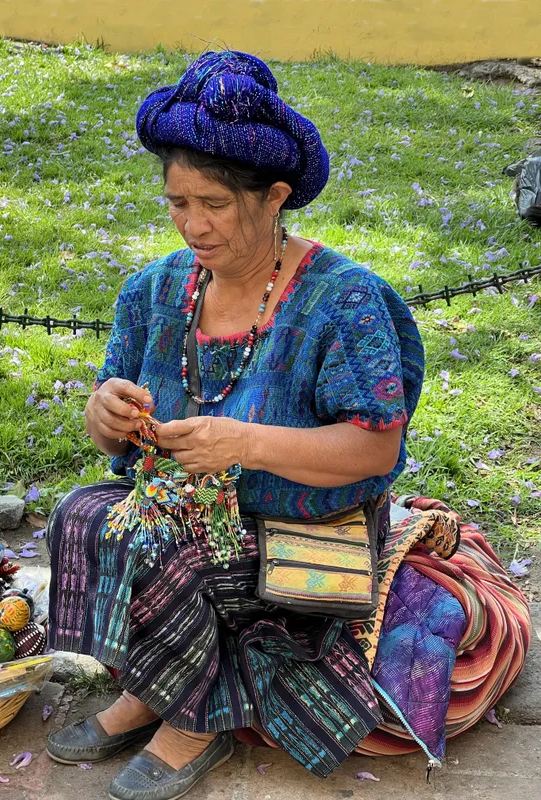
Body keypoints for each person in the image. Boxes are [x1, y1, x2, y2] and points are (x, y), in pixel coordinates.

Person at [45, 50, 527, 800]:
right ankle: (147, 686)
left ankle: (192, 721)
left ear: (273, 198)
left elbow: (377, 445)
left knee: (188, 556)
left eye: (214, 204)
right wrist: (103, 414)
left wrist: (243, 443)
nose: (192, 225)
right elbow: (113, 441)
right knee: (80, 515)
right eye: (177, 202)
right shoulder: (154, 290)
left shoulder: (344, 301)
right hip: (181, 506)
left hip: (308, 523)